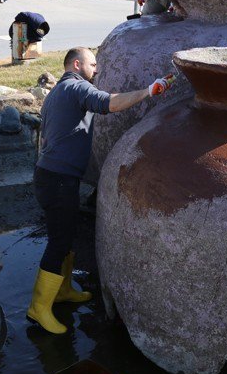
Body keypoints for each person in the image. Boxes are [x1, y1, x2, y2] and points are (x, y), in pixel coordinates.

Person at [27, 47, 175, 334]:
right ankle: (38, 308)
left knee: (66, 236)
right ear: (77, 64)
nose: (97, 70)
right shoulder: (75, 87)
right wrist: (149, 90)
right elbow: (111, 103)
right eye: (93, 64)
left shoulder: (57, 92)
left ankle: (63, 290)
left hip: (52, 176)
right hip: (57, 179)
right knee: (58, 242)